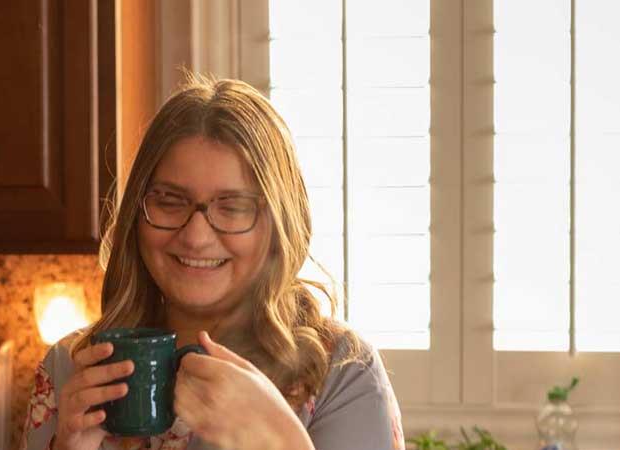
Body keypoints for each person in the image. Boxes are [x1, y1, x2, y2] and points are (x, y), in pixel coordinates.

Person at [21, 75, 404, 450]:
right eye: (169, 201)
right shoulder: (68, 368)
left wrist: (280, 440)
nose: (196, 236)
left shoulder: (342, 371)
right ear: (137, 213)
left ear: (280, 223)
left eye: (233, 207)